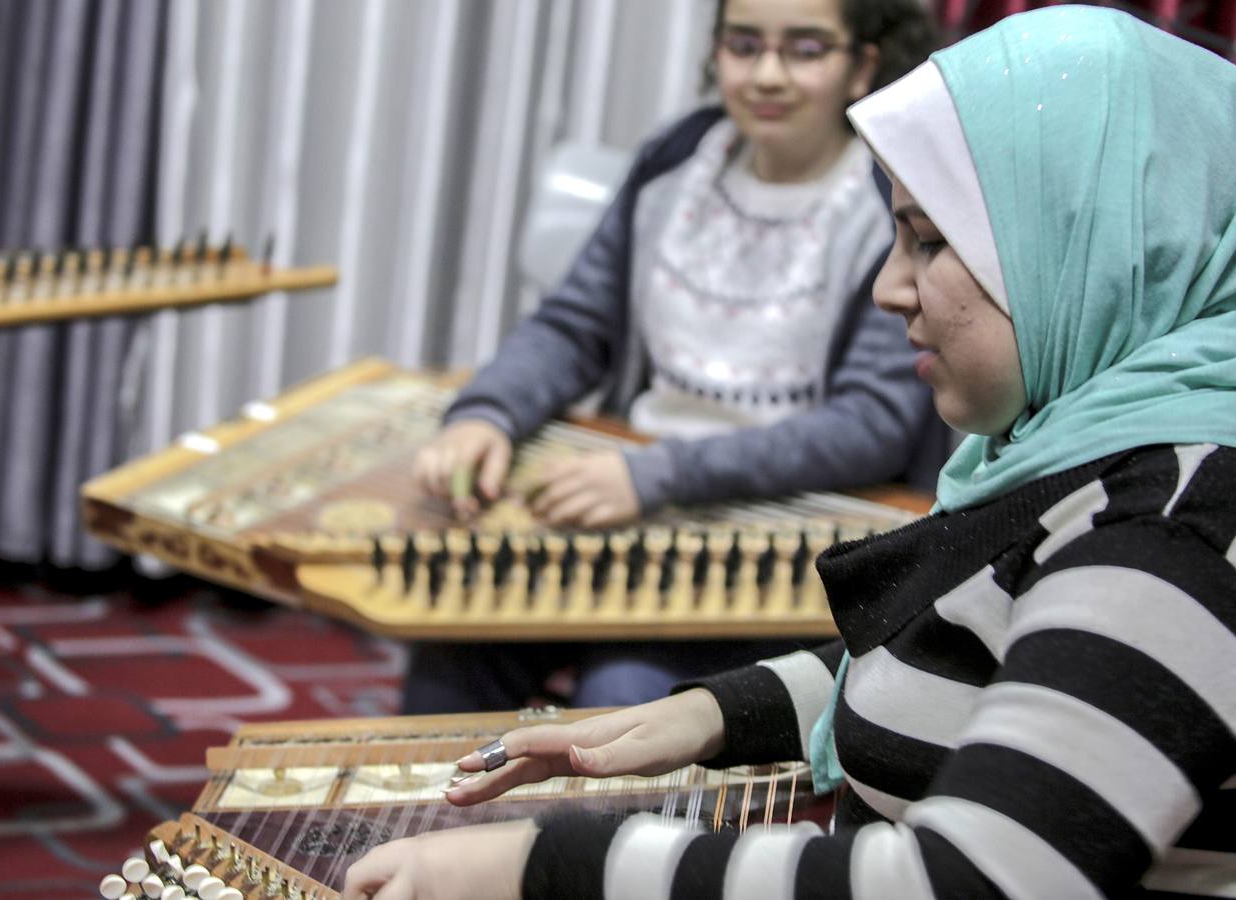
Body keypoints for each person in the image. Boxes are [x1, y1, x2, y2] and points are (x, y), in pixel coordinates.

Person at [345, 5, 1236, 898]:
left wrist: (551, 865)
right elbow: (964, 663)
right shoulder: (1083, 438)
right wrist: (711, 713)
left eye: (926, 241)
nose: (889, 288)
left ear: (1086, 248)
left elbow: (971, 882)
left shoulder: (1167, 536)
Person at [402, 0, 942, 714]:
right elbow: (573, 325)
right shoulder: (679, 157)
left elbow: (869, 425)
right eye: (743, 45)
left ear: (861, 66)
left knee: (626, 692)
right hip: (633, 501)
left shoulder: (888, 200)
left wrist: (659, 473)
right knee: (451, 643)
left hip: (780, 539)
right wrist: (486, 413)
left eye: (805, 50)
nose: (766, 75)